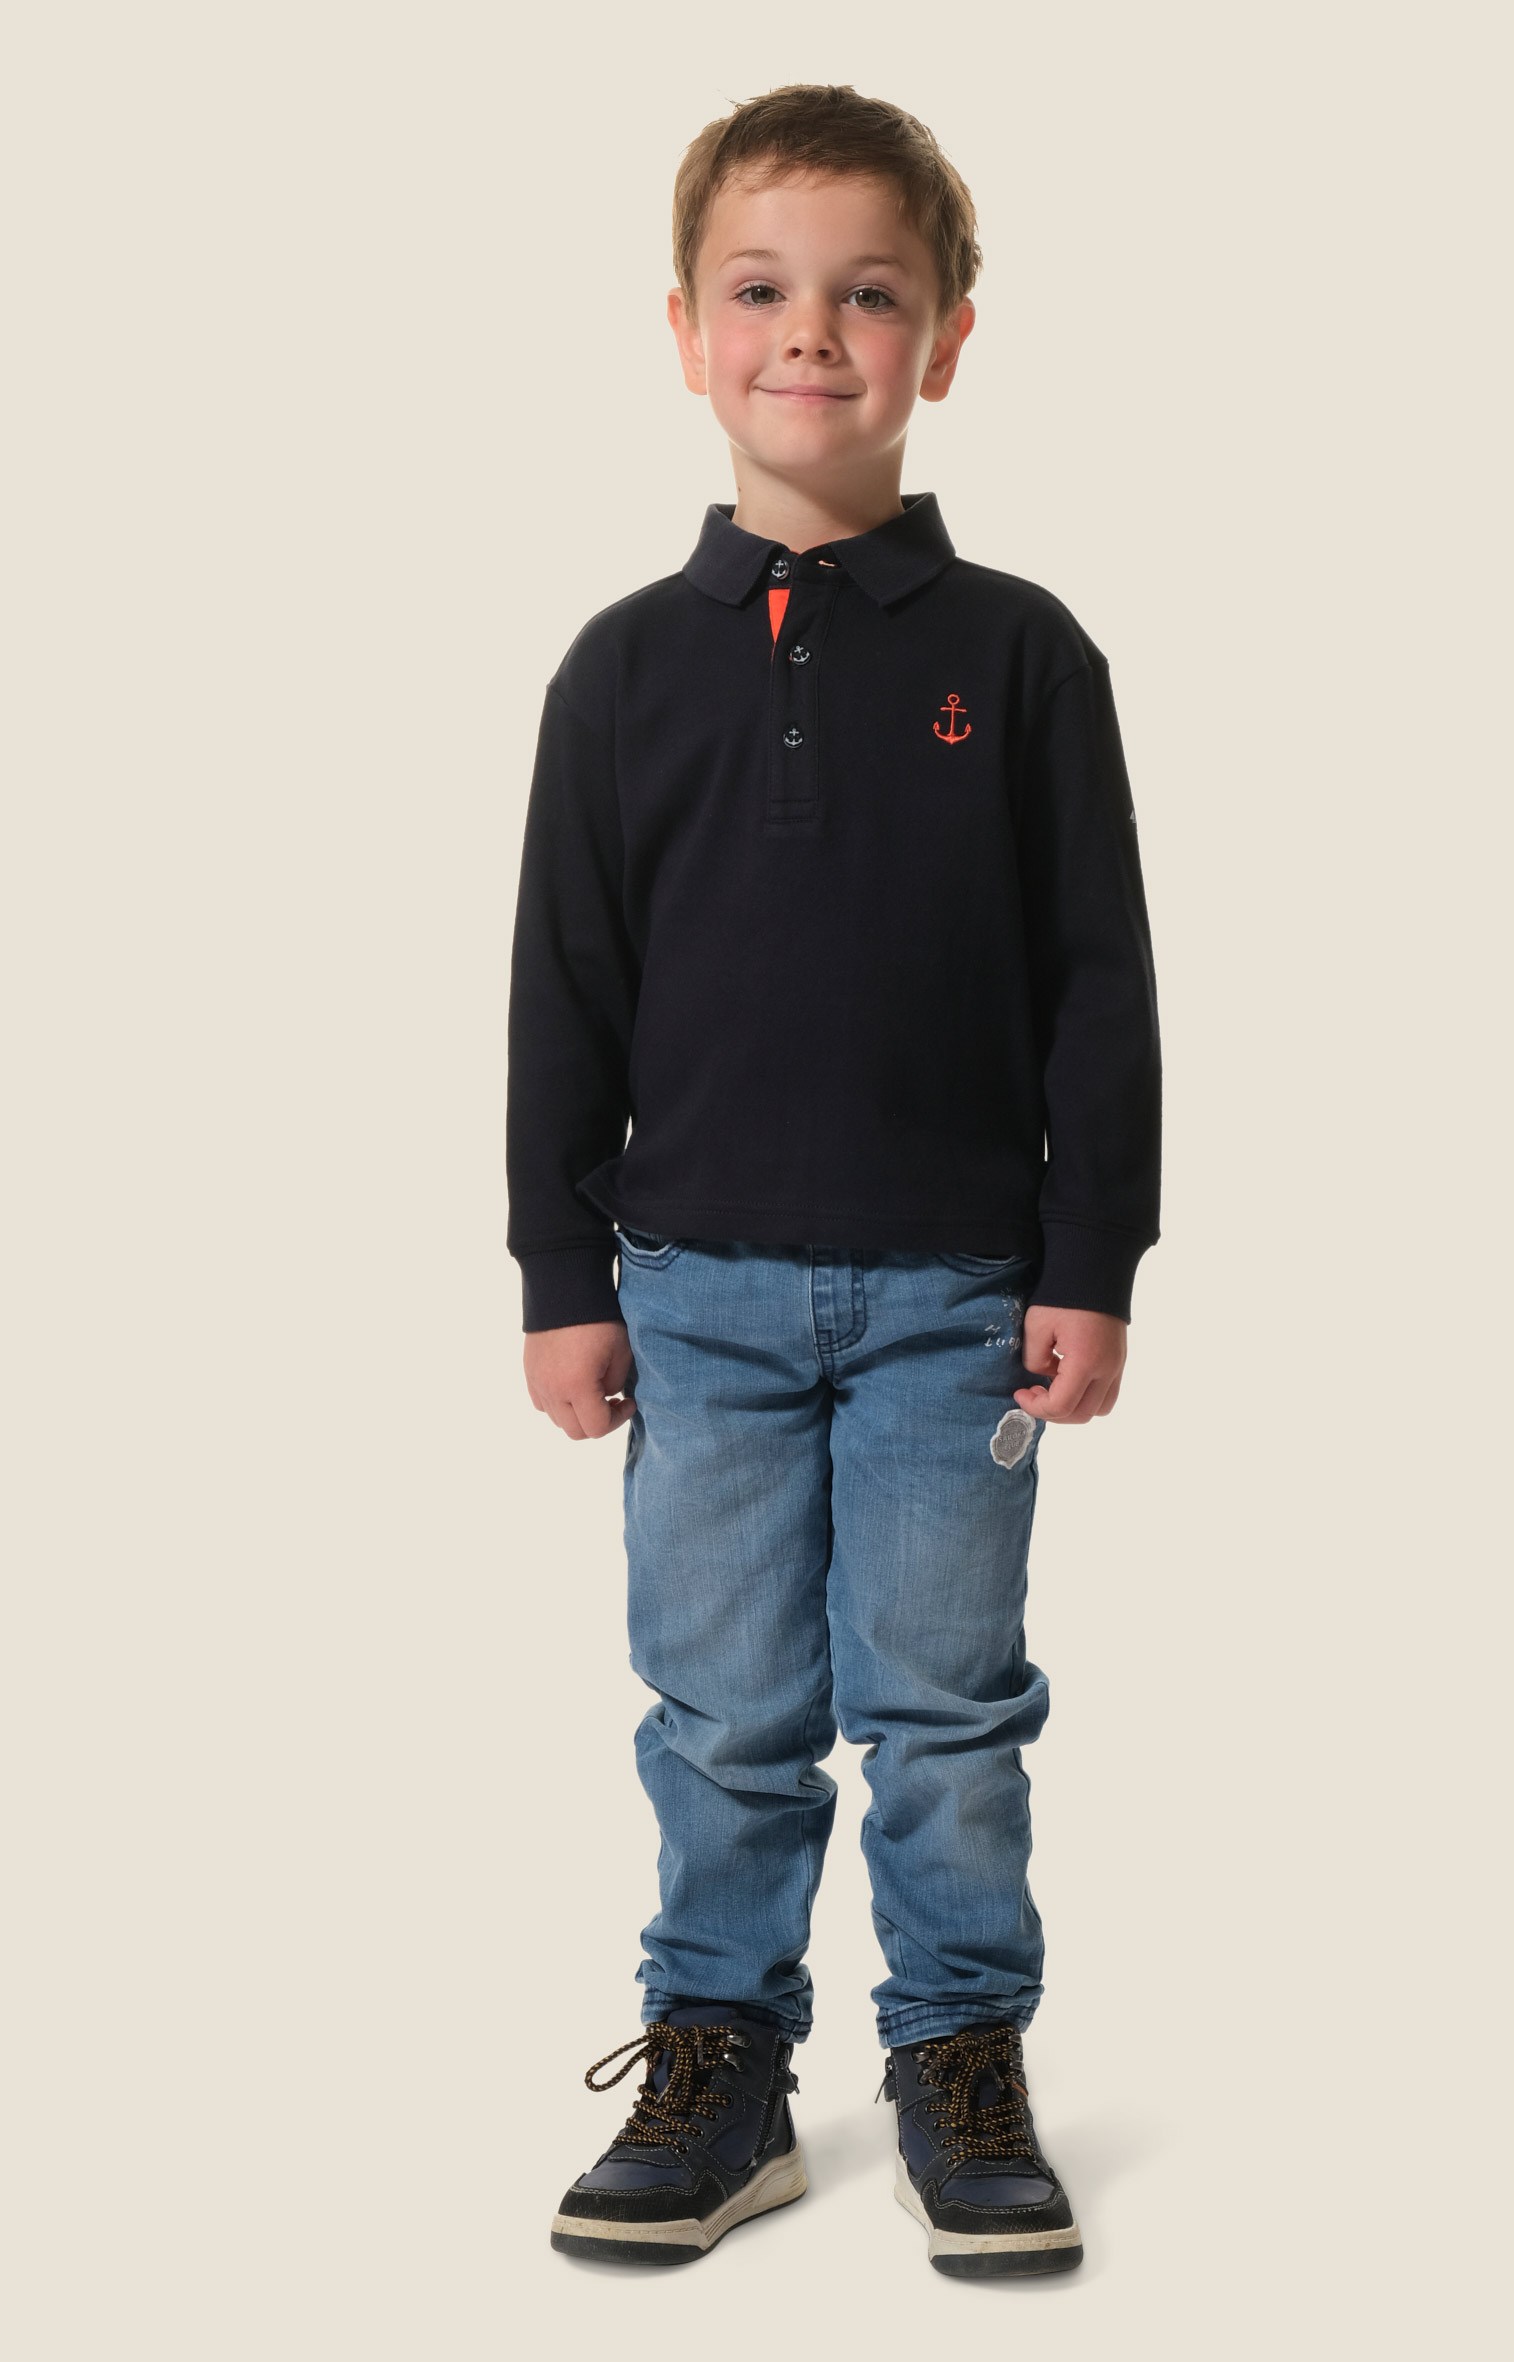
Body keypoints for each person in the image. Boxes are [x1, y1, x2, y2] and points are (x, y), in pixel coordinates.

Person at [507, 83, 1161, 2279]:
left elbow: (1098, 984)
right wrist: (560, 1270)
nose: (813, 333)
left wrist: (1090, 1257)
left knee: (947, 1703)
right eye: (763, 290)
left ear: (943, 341)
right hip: (686, 1293)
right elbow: (562, 985)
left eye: (869, 294)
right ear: (686, 332)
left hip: (952, 1298)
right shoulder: (621, 669)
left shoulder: (1022, 655)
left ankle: (961, 2052)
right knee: (721, 1708)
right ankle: (718, 2060)